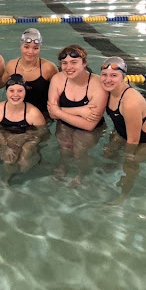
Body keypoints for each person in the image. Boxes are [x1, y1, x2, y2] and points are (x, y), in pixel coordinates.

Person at [100, 57, 146, 204]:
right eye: (104, 75)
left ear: (123, 78)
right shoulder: (108, 90)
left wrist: (127, 156)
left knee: (129, 163)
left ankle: (123, 195)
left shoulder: (129, 103)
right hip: (122, 133)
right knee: (107, 153)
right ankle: (106, 177)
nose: (108, 79)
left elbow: (133, 140)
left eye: (114, 75)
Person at [47, 44, 108, 187]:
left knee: (79, 150)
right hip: (65, 123)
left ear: (84, 63)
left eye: (74, 62)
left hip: (91, 128)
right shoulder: (57, 79)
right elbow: (52, 114)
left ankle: (82, 174)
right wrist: (81, 110)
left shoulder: (98, 84)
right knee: (65, 147)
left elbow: (90, 124)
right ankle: (63, 166)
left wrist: (59, 111)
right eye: (64, 63)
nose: (69, 67)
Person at [0, 74, 46, 186]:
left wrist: (27, 145)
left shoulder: (33, 113)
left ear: (25, 92)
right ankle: (5, 181)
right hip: (7, 137)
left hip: (27, 137)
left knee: (23, 164)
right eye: (11, 91)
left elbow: (42, 132)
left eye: (20, 91)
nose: (15, 95)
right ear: (6, 92)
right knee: (8, 161)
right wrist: (5, 144)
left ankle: (34, 158)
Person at [1, 28, 58, 114]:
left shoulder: (49, 68)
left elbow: (60, 91)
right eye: (26, 47)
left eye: (35, 48)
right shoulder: (12, 66)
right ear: (20, 46)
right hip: (16, 113)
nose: (30, 52)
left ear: (40, 48)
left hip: (43, 115)